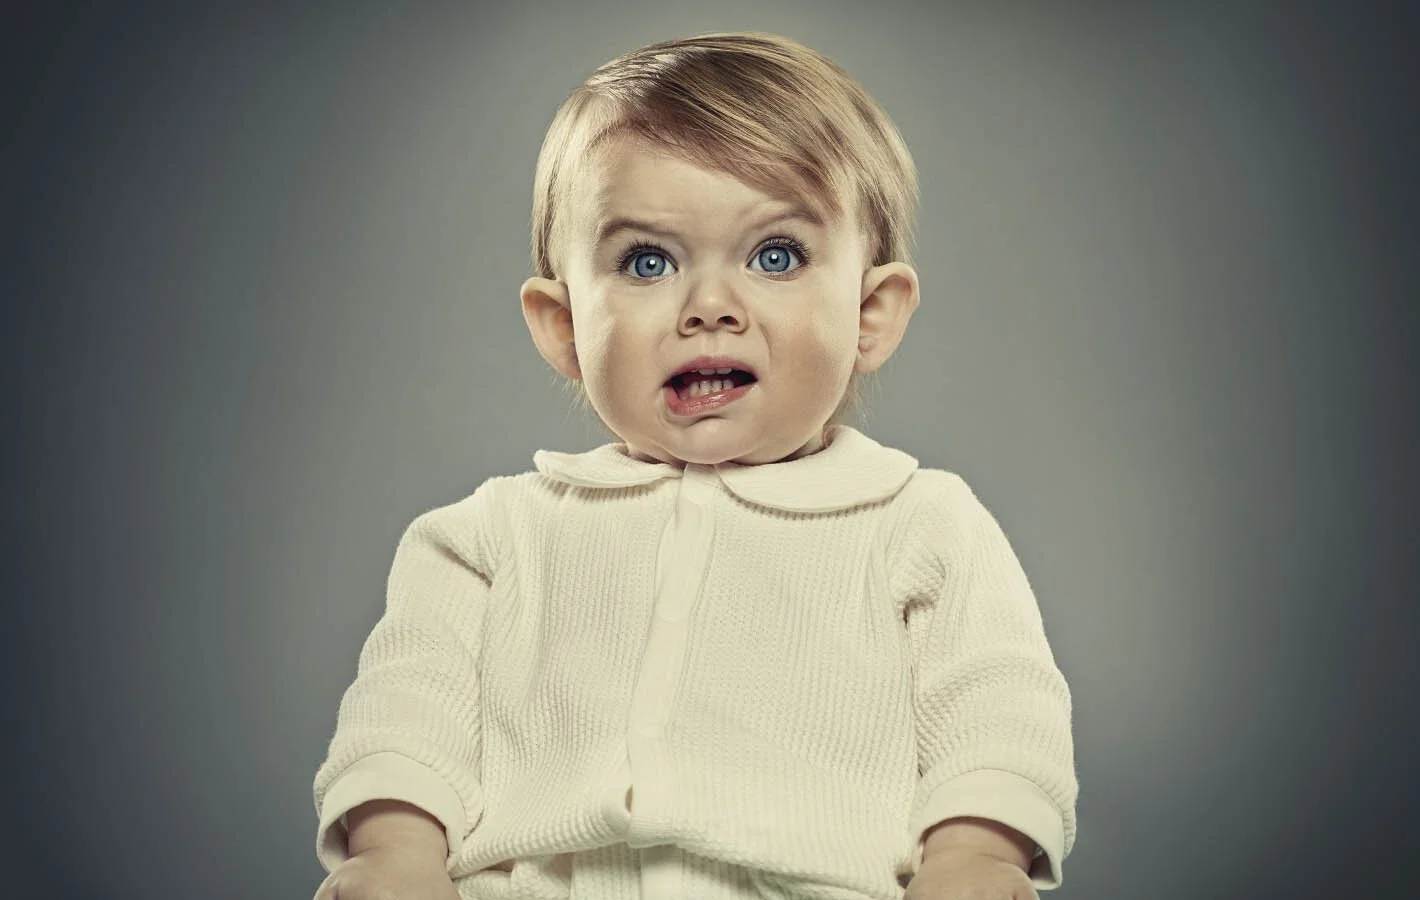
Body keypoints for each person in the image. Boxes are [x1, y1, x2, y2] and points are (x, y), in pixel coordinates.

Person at [312, 31, 1078, 900]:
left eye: (775, 256)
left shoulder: (921, 524)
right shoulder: (486, 541)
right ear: (563, 325)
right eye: (647, 262)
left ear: (871, 312)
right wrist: (399, 855)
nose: (710, 307)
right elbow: (406, 721)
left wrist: (974, 858)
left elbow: (999, 716)